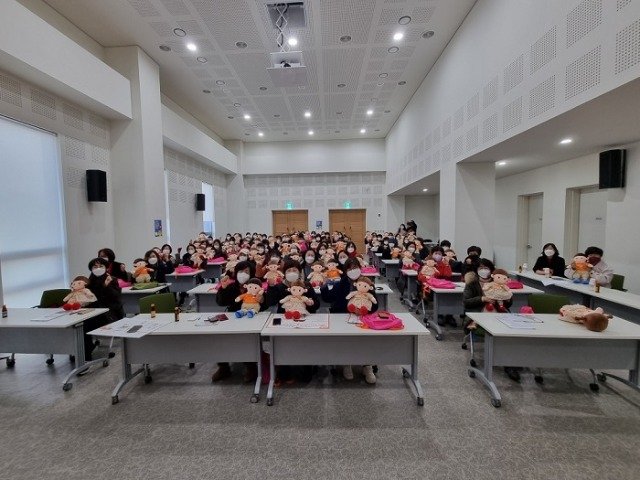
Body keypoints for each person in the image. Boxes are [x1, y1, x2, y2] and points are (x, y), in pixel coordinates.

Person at [321, 257, 378, 384]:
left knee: (365, 340)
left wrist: (364, 310)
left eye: (355, 267)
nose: (353, 271)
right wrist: (324, 286)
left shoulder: (367, 282)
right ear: (346, 271)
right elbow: (328, 298)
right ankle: (347, 363)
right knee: (346, 339)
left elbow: (375, 305)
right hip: (343, 317)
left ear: (360, 268)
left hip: (362, 318)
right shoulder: (340, 284)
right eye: (350, 269)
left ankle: (367, 366)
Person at [462, 258, 521, 382]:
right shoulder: (472, 284)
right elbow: (466, 302)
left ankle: (510, 363)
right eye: (481, 268)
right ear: (476, 270)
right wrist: (482, 299)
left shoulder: (501, 282)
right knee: (496, 331)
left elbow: (509, 304)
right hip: (478, 315)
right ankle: (507, 364)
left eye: (486, 268)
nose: (484, 270)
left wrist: (507, 298)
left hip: (499, 314)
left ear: (492, 271)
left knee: (510, 331)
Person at [212, 260, 261, 382]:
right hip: (233, 317)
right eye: (240, 271)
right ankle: (223, 367)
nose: (243, 274)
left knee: (248, 339)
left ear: (251, 273)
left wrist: (261, 299)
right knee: (221, 338)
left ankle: (251, 367)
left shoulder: (256, 286)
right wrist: (223, 288)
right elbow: (221, 302)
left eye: (246, 272)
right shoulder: (231, 286)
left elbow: (264, 305)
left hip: (251, 318)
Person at [84, 257, 124, 361]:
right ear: (91, 269)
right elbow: (91, 299)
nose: (98, 268)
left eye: (101, 266)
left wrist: (106, 286)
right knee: (80, 324)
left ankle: (86, 355)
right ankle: (84, 350)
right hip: (92, 312)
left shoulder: (112, 279)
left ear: (106, 268)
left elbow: (116, 297)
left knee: (85, 324)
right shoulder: (88, 282)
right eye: (95, 266)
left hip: (108, 314)